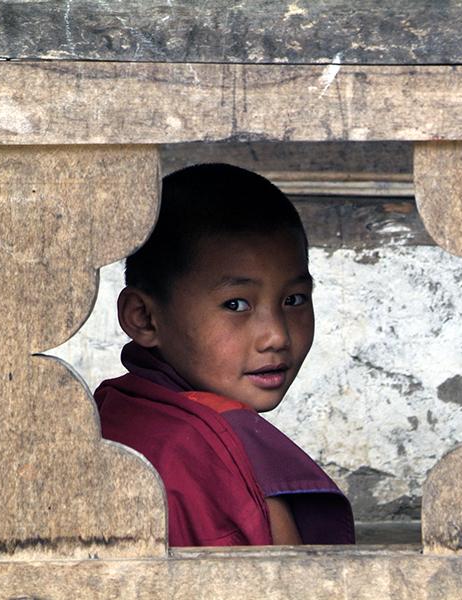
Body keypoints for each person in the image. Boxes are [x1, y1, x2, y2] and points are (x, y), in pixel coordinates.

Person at [94, 163, 355, 547]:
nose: (276, 336)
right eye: (236, 304)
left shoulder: (107, 407)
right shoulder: (229, 459)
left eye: (294, 300)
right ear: (144, 317)